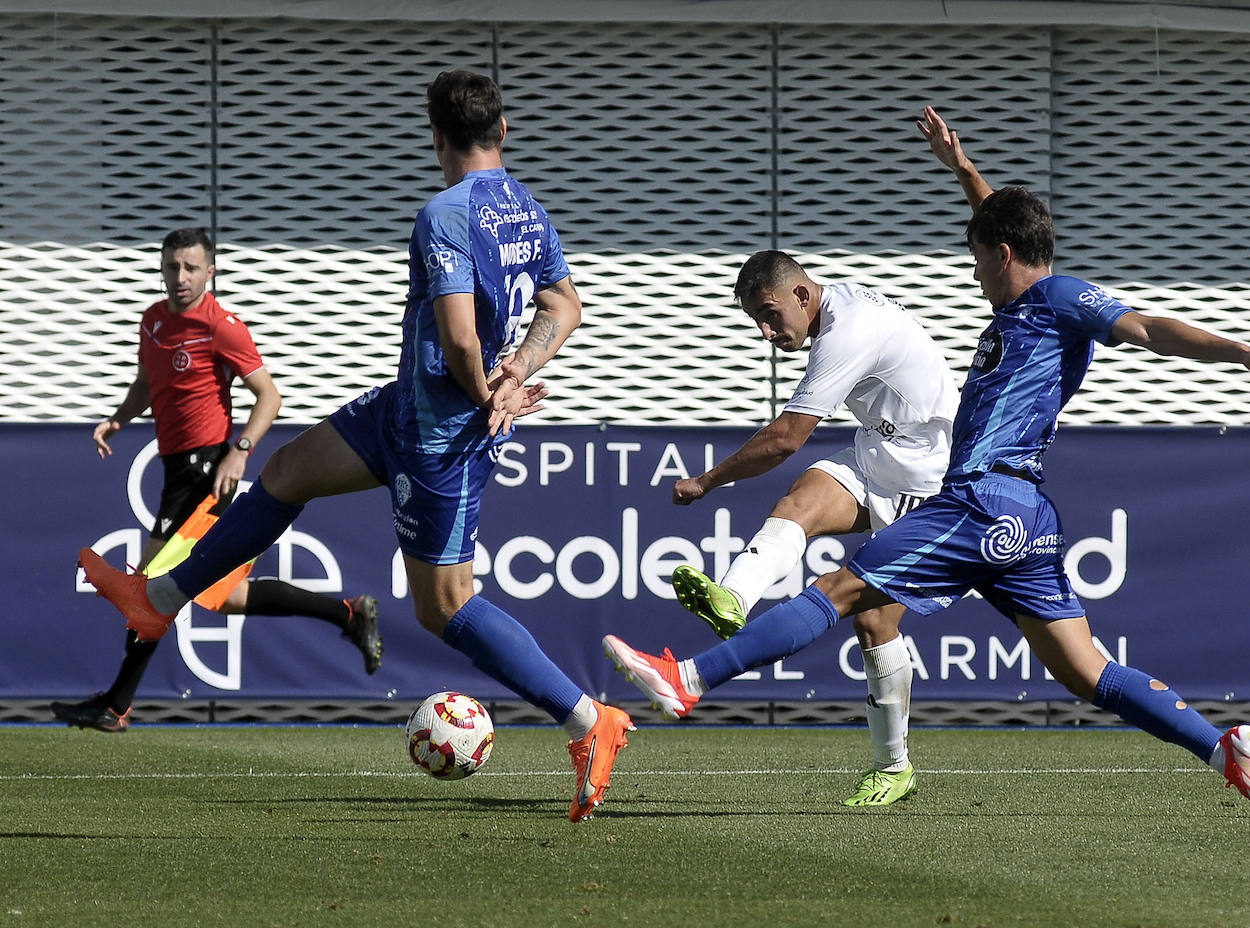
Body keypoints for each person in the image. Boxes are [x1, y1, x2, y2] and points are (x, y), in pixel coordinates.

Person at [604, 106, 1250, 819]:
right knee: (1089, 672)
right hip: (1021, 515)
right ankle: (1226, 749)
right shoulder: (1023, 303)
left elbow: (1148, 328)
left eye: (975, 260)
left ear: (999, 256)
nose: (972, 277)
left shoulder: (1057, 297)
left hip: (981, 502)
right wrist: (962, 170)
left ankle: (686, 678)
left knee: (843, 591)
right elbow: (1003, 231)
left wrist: (1244, 354)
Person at [78, 70, 634, 823]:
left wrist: (492, 389)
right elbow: (564, 306)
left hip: (441, 431)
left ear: (436, 137)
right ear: (502, 132)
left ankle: (588, 721)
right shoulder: (527, 209)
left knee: (445, 608)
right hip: (404, 407)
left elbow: (463, 336)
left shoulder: (445, 213)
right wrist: (520, 370)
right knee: (284, 471)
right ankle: (158, 601)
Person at [54, 227, 382, 734]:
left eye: (190, 267)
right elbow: (147, 382)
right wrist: (119, 418)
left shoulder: (222, 326)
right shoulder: (154, 321)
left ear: (211, 271)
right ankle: (349, 614)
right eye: (171, 267)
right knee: (225, 598)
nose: (179, 277)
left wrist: (239, 452)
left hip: (208, 472)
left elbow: (268, 397)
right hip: (174, 471)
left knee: (146, 591)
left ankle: (115, 705)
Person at [668, 250, 958, 805]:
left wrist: (706, 482)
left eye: (770, 314)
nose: (766, 330)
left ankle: (893, 766)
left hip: (936, 480)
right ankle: (732, 597)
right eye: (756, 318)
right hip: (881, 458)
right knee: (800, 500)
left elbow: (783, 439)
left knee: (873, 620)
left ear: (802, 295)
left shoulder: (848, 332)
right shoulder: (834, 309)